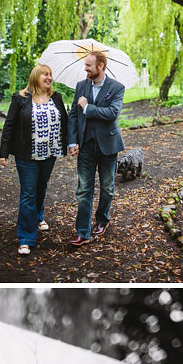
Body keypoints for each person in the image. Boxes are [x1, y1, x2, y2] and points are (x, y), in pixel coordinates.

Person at [0, 64, 69, 255]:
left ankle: (38, 216)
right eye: (45, 74)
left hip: (50, 152)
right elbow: (10, 125)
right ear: (36, 76)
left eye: (51, 74)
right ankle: (25, 237)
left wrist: (71, 143)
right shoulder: (20, 98)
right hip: (26, 153)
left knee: (41, 187)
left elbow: (65, 122)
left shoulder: (57, 97)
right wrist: (3, 152)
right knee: (28, 193)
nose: (49, 78)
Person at [66, 50, 126, 246]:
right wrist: (72, 141)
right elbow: (74, 115)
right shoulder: (81, 86)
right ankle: (82, 232)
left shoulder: (117, 87)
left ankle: (102, 220)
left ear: (100, 66)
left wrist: (88, 107)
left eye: (89, 65)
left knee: (107, 188)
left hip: (109, 146)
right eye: (85, 65)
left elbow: (112, 113)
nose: (85, 68)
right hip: (85, 146)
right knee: (84, 189)